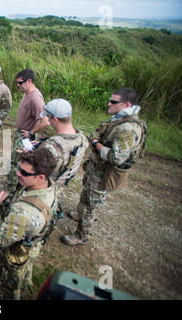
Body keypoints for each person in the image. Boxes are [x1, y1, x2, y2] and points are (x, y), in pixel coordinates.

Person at [62, 88, 147, 246]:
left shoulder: (127, 129)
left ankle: (82, 235)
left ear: (126, 104)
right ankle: (80, 214)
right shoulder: (121, 119)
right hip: (98, 169)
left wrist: (96, 144)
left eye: (113, 101)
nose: (109, 103)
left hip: (104, 173)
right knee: (86, 195)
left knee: (90, 205)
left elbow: (117, 157)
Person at [0, 148, 58, 300]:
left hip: (18, 250)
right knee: (25, 270)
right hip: (32, 243)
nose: (18, 173)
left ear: (40, 177)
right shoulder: (49, 184)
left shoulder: (24, 212)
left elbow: (1, 238)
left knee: (11, 284)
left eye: (24, 173)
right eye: (19, 168)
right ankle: (24, 282)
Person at [7, 68, 48, 189]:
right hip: (21, 133)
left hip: (25, 137)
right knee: (14, 160)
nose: (18, 85)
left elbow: (45, 122)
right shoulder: (27, 93)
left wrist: (31, 132)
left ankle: (13, 188)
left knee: (17, 162)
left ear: (29, 81)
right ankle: (14, 185)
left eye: (20, 83)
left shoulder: (36, 98)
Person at [35, 99, 88, 189]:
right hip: (59, 186)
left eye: (48, 117)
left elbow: (34, 172)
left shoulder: (51, 146)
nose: (47, 120)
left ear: (55, 119)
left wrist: (30, 152)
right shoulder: (82, 139)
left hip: (43, 189)